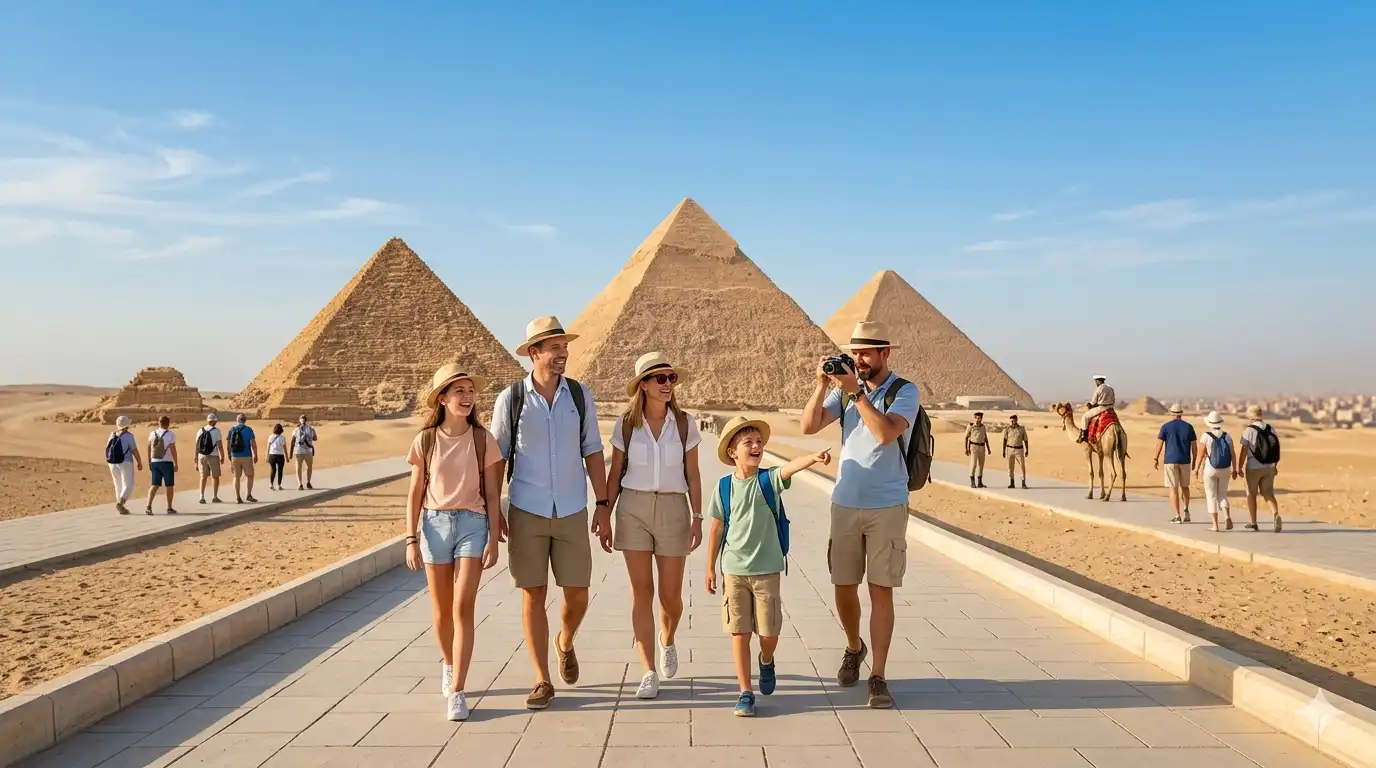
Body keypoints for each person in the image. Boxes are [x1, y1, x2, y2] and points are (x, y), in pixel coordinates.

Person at [491, 316, 608, 711]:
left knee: (578, 594)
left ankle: (565, 640)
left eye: (564, 346)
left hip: (573, 507)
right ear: (534, 353)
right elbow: (496, 457)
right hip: (527, 507)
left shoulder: (580, 396)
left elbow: (593, 449)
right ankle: (541, 679)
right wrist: (495, 511)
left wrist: (604, 505)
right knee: (533, 594)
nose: (563, 353)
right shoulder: (511, 399)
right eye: (554, 347)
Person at [800, 320, 918, 710]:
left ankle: (878, 675)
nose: (859, 360)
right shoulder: (846, 392)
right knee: (843, 585)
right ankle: (855, 646)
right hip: (846, 501)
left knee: (880, 589)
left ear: (886, 353)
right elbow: (809, 426)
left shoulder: (905, 392)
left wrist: (858, 394)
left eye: (866, 353)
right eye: (855, 353)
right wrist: (822, 385)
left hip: (886, 503)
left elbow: (886, 434)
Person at [706, 416, 831, 717]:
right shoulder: (723, 488)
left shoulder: (769, 480)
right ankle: (744, 692)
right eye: (747, 442)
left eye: (758, 442)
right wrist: (710, 568)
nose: (756, 446)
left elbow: (789, 467)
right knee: (738, 631)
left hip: (766, 570)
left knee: (768, 632)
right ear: (733, 452)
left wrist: (812, 457)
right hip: (733, 569)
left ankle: (766, 659)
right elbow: (716, 528)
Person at [405, 365, 504, 722]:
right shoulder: (426, 440)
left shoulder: (483, 439)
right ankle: (448, 664)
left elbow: (493, 493)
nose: (466, 396)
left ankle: (458, 690)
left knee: (463, 607)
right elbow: (415, 492)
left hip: (473, 524)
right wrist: (410, 539)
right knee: (441, 611)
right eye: (458, 391)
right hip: (433, 525)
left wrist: (494, 538)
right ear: (442, 399)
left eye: (469, 390)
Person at [606, 352, 703, 700]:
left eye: (671, 378)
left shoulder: (686, 424)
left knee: (671, 597)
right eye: (660, 379)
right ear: (643, 385)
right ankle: (647, 670)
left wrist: (698, 516)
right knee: (641, 592)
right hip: (633, 507)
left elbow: (692, 472)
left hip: (675, 509)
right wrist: (604, 511)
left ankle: (668, 638)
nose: (667, 384)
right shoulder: (625, 424)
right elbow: (615, 472)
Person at [1236, 405, 1283, 533]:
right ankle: (1276, 514)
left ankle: (1253, 522)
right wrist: (1275, 466)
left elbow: (1244, 450)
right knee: (1268, 493)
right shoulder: (1271, 428)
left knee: (1251, 494)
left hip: (1253, 468)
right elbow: (1276, 449)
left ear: (1250, 416)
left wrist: (1239, 467)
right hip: (1269, 467)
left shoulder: (1249, 430)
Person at [1154, 404, 1197, 524]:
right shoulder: (1189, 427)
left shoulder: (1165, 427)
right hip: (1185, 460)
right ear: (1181, 414)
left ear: (1171, 413)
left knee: (1173, 489)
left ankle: (1177, 516)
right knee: (1185, 486)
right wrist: (1195, 461)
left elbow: (1159, 444)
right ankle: (1186, 510)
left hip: (1170, 460)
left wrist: (1155, 458)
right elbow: (1194, 446)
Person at [1193, 411, 1234, 532]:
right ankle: (1227, 516)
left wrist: (1196, 469)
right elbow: (1233, 454)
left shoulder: (1206, 436)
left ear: (1209, 423)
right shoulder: (1227, 436)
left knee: (1211, 496)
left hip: (1210, 469)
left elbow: (1200, 455)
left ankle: (1215, 525)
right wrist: (1236, 469)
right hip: (1226, 468)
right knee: (1222, 495)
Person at [105, 415, 143, 514]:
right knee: (128, 484)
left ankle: (120, 505)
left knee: (118, 484)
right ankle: (120, 504)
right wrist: (139, 462)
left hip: (112, 463)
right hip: (125, 462)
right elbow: (134, 450)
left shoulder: (112, 434)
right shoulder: (129, 436)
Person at [144, 415, 178, 515]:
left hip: (155, 462)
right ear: (168, 424)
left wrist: (149, 461)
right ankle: (169, 508)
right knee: (169, 485)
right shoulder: (170, 434)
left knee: (154, 485)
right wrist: (176, 463)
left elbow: (149, 448)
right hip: (166, 462)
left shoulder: (152, 433)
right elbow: (173, 450)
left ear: (159, 423)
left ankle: (148, 506)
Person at [194, 414, 227, 505]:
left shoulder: (200, 430)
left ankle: (201, 496)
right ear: (214, 421)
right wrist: (222, 456)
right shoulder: (216, 431)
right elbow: (219, 444)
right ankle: (215, 496)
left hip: (202, 455)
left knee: (203, 476)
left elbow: (197, 446)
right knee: (215, 477)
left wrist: (195, 458)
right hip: (213, 455)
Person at [227, 414, 259, 504]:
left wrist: (229, 454)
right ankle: (249, 495)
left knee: (236, 477)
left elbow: (228, 444)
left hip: (235, 456)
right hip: (246, 456)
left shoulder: (232, 429)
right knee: (250, 476)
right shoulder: (248, 430)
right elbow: (253, 444)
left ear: (237, 420)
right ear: (245, 420)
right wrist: (255, 455)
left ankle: (238, 497)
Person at [1079, 375, 1116, 443]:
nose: (1096, 383)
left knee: (1085, 416)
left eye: (1096, 381)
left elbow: (1093, 402)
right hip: (1110, 408)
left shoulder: (1099, 389)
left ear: (1098, 381)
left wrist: (1089, 404)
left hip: (1101, 408)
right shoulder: (1110, 388)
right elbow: (1113, 400)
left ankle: (1083, 435)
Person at [290, 414, 318, 490]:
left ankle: (300, 484)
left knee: (298, 467)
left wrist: (291, 452)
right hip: (308, 450)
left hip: (298, 450)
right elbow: (315, 438)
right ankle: (308, 482)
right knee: (309, 467)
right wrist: (309, 437)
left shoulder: (296, 429)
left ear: (300, 420)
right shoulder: (311, 429)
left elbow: (292, 440)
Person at [1002, 414, 1029, 489]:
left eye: (1013, 421)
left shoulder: (1021, 429)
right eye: (1011, 421)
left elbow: (1025, 440)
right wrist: (1003, 451)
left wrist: (1027, 450)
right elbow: (1004, 440)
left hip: (1019, 450)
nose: (1012, 422)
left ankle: (1023, 482)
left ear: (1016, 420)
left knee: (1022, 466)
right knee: (1010, 467)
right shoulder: (1007, 429)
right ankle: (1012, 482)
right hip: (1009, 449)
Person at [964, 412, 990, 488]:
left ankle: (980, 482)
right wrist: (966, 449)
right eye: (977, 418)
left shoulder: (983, 427)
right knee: (973, 465)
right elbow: (966, 437)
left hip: (982, 447)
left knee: (981, 465)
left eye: (980, 418)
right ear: (974, 418)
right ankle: (972, 482)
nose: (978, 419)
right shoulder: (971, 426)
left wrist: (988, 448)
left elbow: (985, 438)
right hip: (974, 446)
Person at [266, 423, 287, 491]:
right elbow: (285, 448)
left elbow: (268, 448)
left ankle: (271, 484)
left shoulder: (271, 436)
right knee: (280, 471)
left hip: (272, 455)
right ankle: (279, 485)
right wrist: (287, 457)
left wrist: (267, 456)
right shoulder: (282, 437)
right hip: (280, 455)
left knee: (273, 470)